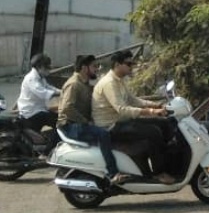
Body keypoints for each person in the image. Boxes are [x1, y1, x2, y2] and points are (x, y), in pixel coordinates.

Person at [92, 49, 176, 183]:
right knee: (154, 132)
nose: (132, 67)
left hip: (122, 122)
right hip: (111, 126)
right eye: (128, 64)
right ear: (117, 65)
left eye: (132, 63)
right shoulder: (109, 83)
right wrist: (151, 111)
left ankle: (168, 163)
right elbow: (122, 110)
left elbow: (133, 100)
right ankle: (159, 173)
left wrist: (156, 105)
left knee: (165, 123)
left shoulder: (119, 80)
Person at [57, 55, 129, 185]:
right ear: (84, 68)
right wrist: (86, 121)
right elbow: (67, 108)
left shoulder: (84, 84)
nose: (97, 69)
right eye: (94, 66)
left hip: (78, 123)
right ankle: (112, 173)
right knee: (103, 134)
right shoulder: (74, 84)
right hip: (70, 126)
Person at [16, 53, 60, 133]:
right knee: (59, 122)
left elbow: (48, 87)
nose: (49, 70)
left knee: (57, 118)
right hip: (31, 112)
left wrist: (61, 91)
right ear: (40, 67)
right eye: (47, 68)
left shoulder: (40, 77)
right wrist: (60, 94)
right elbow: (43, 93)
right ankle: (52, 144)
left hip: (38, 109)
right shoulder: (31, 78)